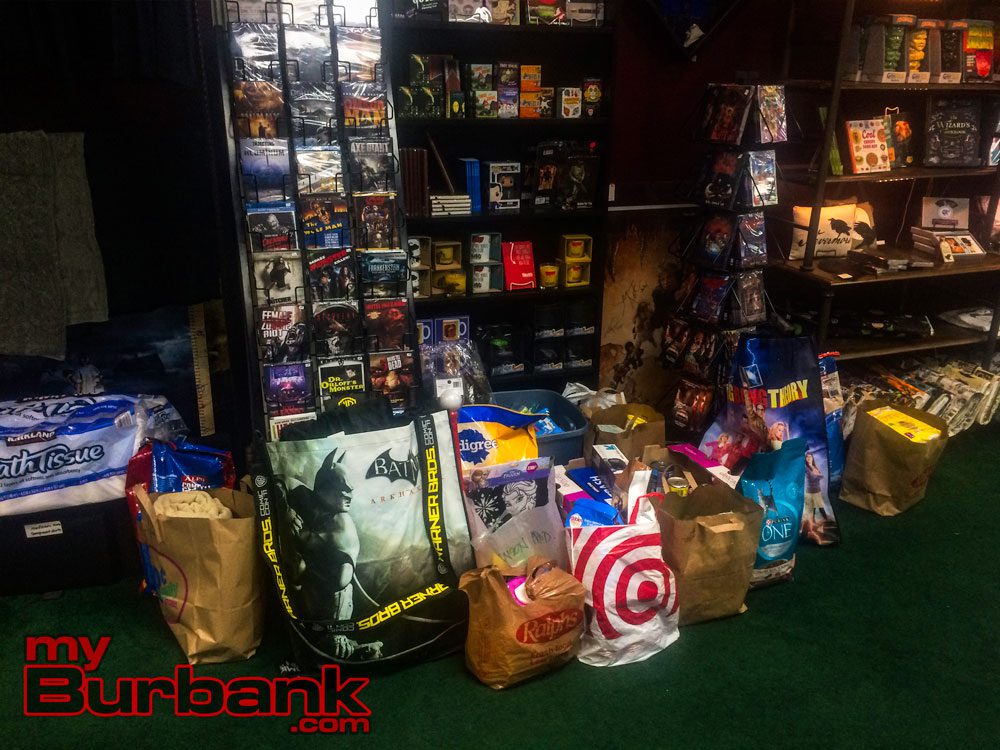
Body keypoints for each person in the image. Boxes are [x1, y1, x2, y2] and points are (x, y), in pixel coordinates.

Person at [281, 450, 366, 660]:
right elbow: (279, 481)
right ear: (325, 487)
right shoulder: (306, 497)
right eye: (343, 489)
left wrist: (337, 630)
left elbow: (340, 580)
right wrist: (285, 509)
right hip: (303, 587)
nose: (349, 495)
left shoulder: (343, 526)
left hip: (329, 595)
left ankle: (337, 639)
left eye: (350, 490)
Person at [802, 451, 830, 543]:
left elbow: (821, 476)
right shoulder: (806, 467)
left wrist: (817, 474)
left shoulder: (814, 466)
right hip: (810, 491)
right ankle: (819, 523)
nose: (808, 458)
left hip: (817, 490)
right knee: (816, 508)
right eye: (807, 457)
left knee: (817, 507)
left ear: (812, 458)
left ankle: (822, 523)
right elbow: (813, 477)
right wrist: (817, 475)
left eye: (810, 457)